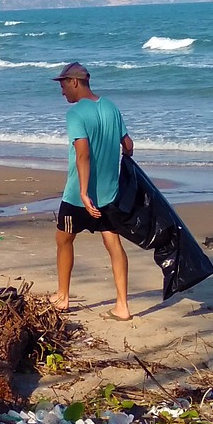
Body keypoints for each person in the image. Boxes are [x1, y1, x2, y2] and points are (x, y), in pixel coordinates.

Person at [52, 62, 134, 320]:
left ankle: (63, 298)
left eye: (63, 84)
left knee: (64, 239)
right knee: (113, 242)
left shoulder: (76, 113)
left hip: (78, 194)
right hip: (109, 192)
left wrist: (85, 193)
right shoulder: (110, 107)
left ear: (74, 82)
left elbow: (83, 153)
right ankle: (122, 305)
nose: (62, 91)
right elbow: (128, 145)